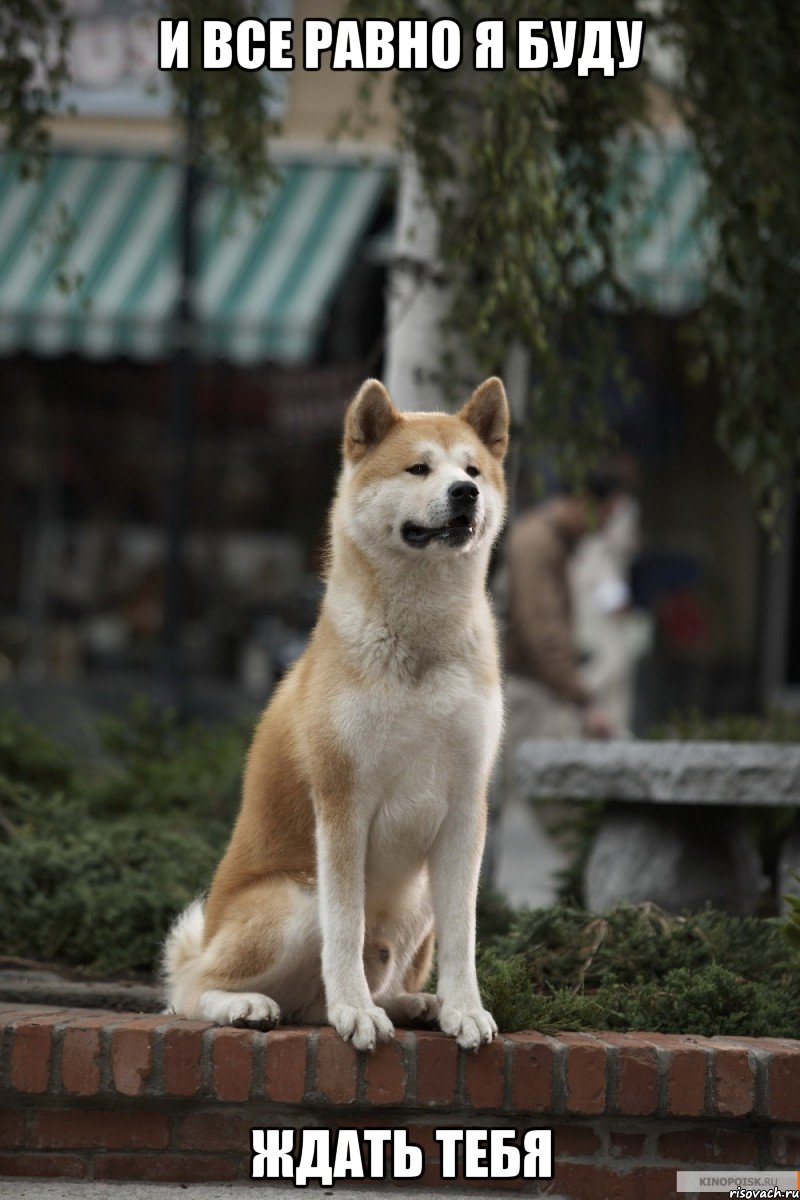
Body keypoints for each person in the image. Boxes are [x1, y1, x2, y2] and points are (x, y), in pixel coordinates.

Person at [504, 470, 627, 743]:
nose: (605, 527)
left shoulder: (551, 541)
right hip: (527, 691)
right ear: (586, 502)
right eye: (606, 515)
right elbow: (542, 630)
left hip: (537, 687)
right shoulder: (538, 544)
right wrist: (583, 701)